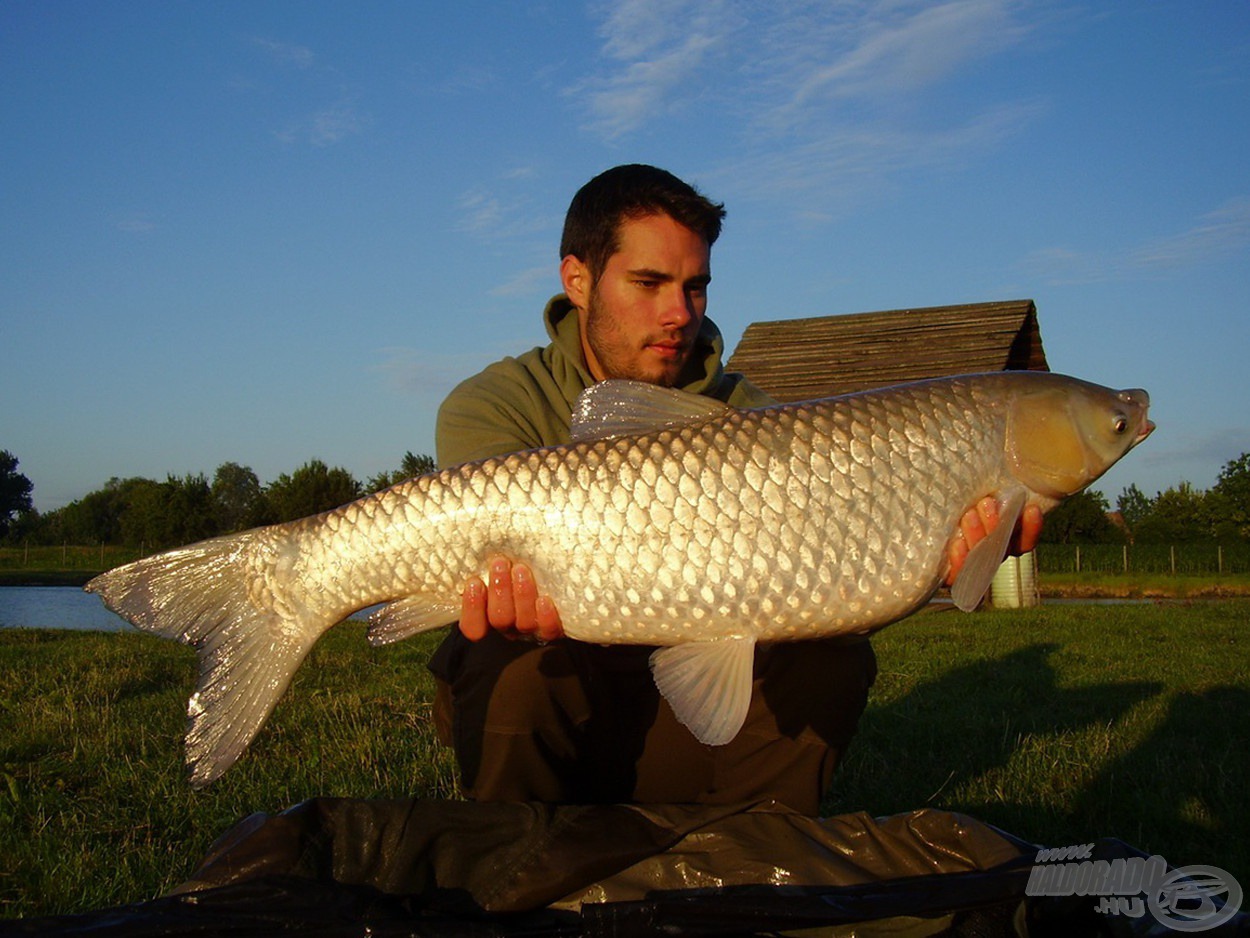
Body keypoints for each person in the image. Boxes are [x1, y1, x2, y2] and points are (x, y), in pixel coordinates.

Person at [429, 164, 1041, 813]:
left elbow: (831, 578)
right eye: (650, 282)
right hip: (556, 726)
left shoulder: (758, 421)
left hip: (687, 734)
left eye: (695, 287)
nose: (678, 313)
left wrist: (938, 552)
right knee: (505, 652)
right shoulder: (493, 406)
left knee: (831, 658)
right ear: (576, 280)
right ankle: (512, 864)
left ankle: (738, 868)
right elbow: (485, 570)